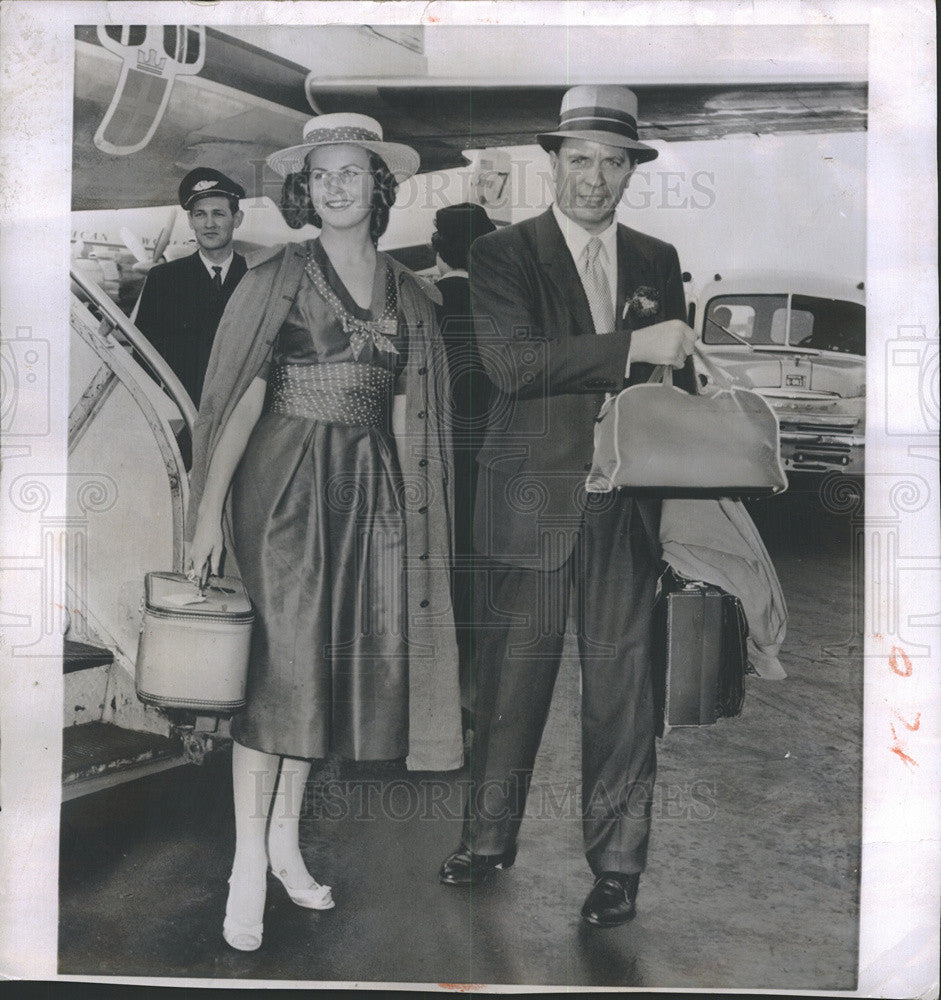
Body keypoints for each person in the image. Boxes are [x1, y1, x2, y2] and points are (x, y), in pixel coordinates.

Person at [187, 113, 462, 952]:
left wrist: (420, 532)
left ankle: (283, 844)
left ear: (380, 188)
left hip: (369, 498)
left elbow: (417, 420)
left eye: (354, 172)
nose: (338, 186)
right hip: (280, 491)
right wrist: (206, 515)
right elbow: (236, 405)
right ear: (305, 190)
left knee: (323, 675)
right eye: (324, 174)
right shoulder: (279, 276)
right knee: (278, 675)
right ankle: (244, 864)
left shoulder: (413, 293)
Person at [438, 86, 698, 928]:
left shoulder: (656, 259)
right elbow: (512, 366)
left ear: (630, 171)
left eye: (611, 162)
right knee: (512, 684)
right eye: (578, 159)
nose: (594, 178)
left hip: (624, 509)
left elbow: (673, 389)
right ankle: (485, 840)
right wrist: (632, 345)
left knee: (622, 694)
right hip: (530, 499)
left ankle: (618, 869)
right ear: (552, 163)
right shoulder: (503, 254)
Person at [431, 202, 497, 734]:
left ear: (437, 250)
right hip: (490, 467)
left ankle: (431, 700)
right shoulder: (504, 311)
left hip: (431, 465)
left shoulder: (423, 307)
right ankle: (475, 699)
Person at [135, 167, 248, 407]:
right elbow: (143, 359)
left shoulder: (255, 277)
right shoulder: (163, 279)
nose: (209, 224)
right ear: (190, 221)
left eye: (218, 214)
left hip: (243, 415)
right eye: (200, 215)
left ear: (237, 219)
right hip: (183, 413)